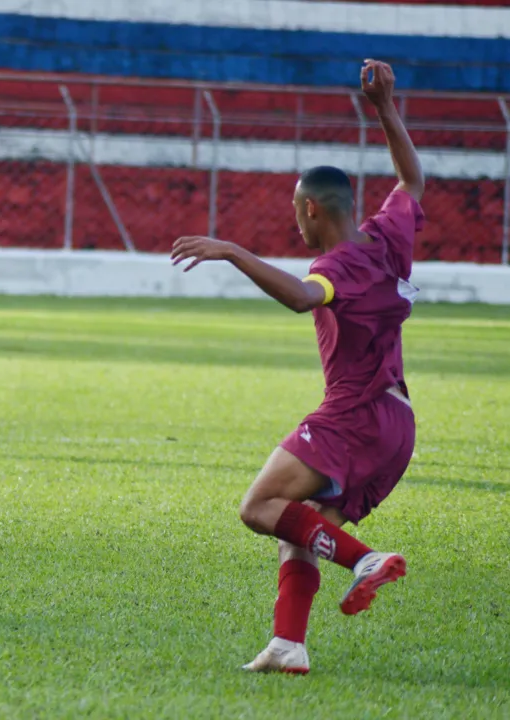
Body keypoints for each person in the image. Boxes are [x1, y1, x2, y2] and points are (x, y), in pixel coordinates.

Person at [170, 60, 423, 674]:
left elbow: (303, 296)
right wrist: (385, 106)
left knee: (257, 507)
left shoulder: (336, 267)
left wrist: (231, 250)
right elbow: (412, 180)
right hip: (399, 424)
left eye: (294, 211)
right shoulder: (387, 236)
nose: (294, 221)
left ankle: (365, 560)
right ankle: (288, 644)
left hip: (354, 415)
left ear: (311, 208)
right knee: (301, 528)